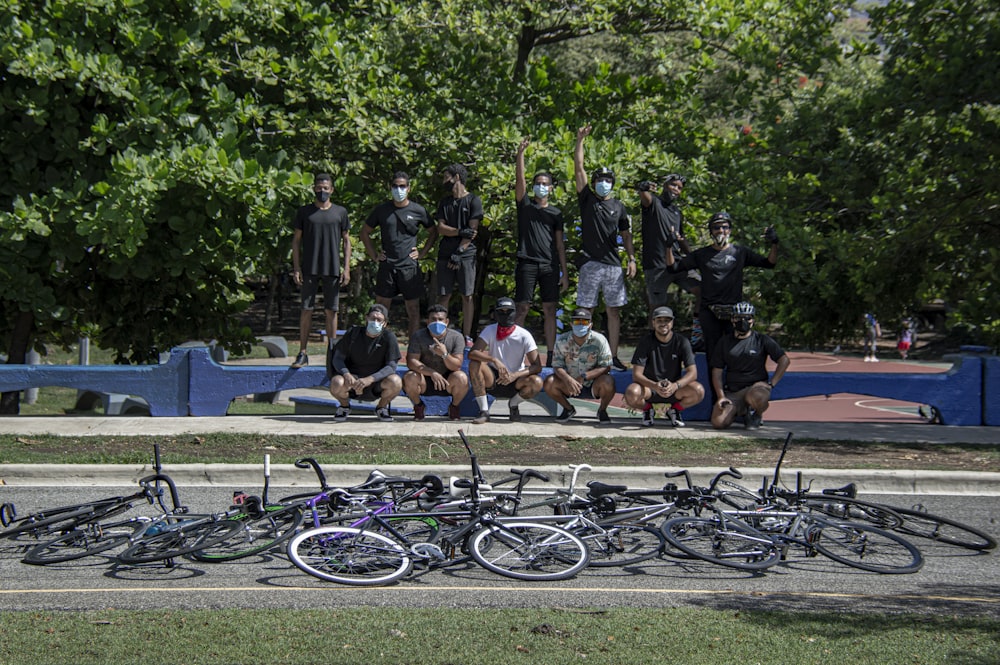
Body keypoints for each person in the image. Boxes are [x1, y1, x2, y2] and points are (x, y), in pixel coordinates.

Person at [667, 211, 778, 364]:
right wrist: (668, 246)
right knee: (713, 354)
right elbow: (673, 267)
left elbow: (769, 263)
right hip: (710, 311)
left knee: (735, 352)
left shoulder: (740, 252)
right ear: (711, 231)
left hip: (733, 312)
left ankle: (734, 386)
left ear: (730, 230)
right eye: (716, 228)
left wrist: (774, 243)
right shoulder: (702, 254)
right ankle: (716, 388)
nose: (721, 231)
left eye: (725, 227)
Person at [573, 125, 637, 371]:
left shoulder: (619, 207)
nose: (603, 183)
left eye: (607, 180)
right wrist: (580, 140)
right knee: (584, 310)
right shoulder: (587, 199)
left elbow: (627, 234)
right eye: (599, 179)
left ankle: (612, 356)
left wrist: (631, 258)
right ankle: (584, 356)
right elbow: (578, 168)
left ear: (613, 183)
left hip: (613, 266)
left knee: (613, 312)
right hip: (590, 263)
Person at [514, 137, 569, 365]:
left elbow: (559, 245)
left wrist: (564, 273)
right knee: (522, 308)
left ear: (551, 188)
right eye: (538, 183)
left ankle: (552, 356)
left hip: (549, 265)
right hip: (527, 262)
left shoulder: (555, 213)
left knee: (549, 309)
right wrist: (520, 155)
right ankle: (516, 353)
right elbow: (519, 182)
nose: (541, 186)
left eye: (545, 183)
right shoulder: (525, 206)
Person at [360, 172, 436, 336]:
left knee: (413, 310)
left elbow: (433, 231)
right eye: (395, 186)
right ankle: (379, 346)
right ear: (390, 187)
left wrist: (422, 253)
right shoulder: (382, 210)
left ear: (408, 188)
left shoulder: (418, 210)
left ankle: (412, 352)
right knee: (380, 310)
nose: (398, 189)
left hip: (409, 266)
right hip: (387, 265)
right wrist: (374, 254)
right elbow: (365, 232)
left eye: (402, 186)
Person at [290, 173, 352, 369]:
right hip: (309, 267)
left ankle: (333, 353)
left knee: (331, 311)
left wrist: (347, 267)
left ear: (332, 190)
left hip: (332, 267)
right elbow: (296, 241)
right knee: (306, 309)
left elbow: (347, 241)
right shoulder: (304, 212)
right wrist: (296, 267)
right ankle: (302, 352)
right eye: (319, 187)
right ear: (313, 189)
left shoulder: (340, 212)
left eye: (326, 188)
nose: (322, 191)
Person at [709, 302, 790, 430]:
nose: (743, 321)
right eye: (739, 317)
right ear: (732, 319)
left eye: (747, 318)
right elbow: (717, 371)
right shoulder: (724, 342)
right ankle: (740, 411)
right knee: (718, 423)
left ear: (753, 320)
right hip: (733, 391)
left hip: (756, 386)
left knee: (758, 395)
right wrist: (721, 396)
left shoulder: (761, 340)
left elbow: (784, 360)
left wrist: (771, 384)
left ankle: (756, 414)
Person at [625, 306, 705, 427]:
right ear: (653, 322)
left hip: (674, 389)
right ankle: (647, 410)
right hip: (650, 389)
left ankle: (674, 410)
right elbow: (636, 375)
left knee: (698, 391)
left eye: (667, 320)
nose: (663, 324)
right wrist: (654, 386)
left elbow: (693, 373)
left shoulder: (681, 341)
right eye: (659, 320)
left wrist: (675, 385)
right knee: (632, 392)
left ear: (672, 322)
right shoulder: (645, 341)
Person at [468, 297, 543, 424]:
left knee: (536, 382)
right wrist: (493, 359)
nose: (505, 315)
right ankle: (484, 411)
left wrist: (515, 375)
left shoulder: (524, 335)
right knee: (475, 364)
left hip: (516, 380)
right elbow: (473, 353)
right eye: (501, 312)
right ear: (495, 314)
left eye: (508, 311)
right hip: (493, 377)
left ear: (514, 312)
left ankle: (513, 405)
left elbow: (537, 366)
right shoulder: (490, 330)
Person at [434, 164, 483, 345]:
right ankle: (440, 333)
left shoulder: (473, 201)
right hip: (445, 254)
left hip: (466, 255)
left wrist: (460, 251)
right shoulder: (445, 202)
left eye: (446, 177)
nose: (444, 181)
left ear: (456, 177)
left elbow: (472, 232)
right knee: (443, 295)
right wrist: (459, 231)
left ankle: (467, 335)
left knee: (467, 295)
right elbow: (441, 228)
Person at [327, 304, 402, 423]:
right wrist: (346, 374)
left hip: (376, 381)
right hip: (352, 379)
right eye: (373, 318)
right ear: (366, 318)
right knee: (336, 382)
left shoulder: (389, 337)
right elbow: (337, 358)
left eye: (379, 320)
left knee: (396, 381)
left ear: (385, 323)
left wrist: (371, 379)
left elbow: (391, 366)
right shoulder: (353, 333)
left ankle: (381, 408)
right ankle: (344, 406)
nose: (375, 322)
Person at [637, 174, 700, 311]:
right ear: (665, 185)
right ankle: (653, 333)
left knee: (704, 291)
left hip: (677, 263)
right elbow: (645, 196)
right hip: (656, 265)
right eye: (673, 185)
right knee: (657, 309)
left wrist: (694, 258)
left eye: (679, 188)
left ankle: (698, 330)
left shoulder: (677, 212)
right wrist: (643, 188)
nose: (676, 189)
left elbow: (681, 237)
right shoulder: (653, 203)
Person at [543, 308, 616, 425]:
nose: (581, 325)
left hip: (593, 384)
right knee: (549, 382)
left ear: (590, 325)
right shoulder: (562, 340)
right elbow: (557, 365)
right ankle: (568, 409)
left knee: (608, 381)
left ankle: (602, 410)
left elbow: (606, 366)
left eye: (585, 322)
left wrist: (584, 377)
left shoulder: (600, 340)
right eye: (577, 322)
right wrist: (568, 379)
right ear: (571, 324)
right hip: (569, 384)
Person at [403, 304, 469, 421]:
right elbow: (412, 362)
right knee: (410, 377)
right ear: (428, 322)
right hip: (424, 379)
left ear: (447, 321)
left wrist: (444, 354)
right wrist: (432, 373)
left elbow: (457, 365)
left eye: (440, 319)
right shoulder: (418, 336)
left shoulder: (456, 337)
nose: (437, 322)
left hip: (447, 380)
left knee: (462, 377)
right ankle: (418, 406)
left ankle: (454, 407)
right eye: (433, 319)